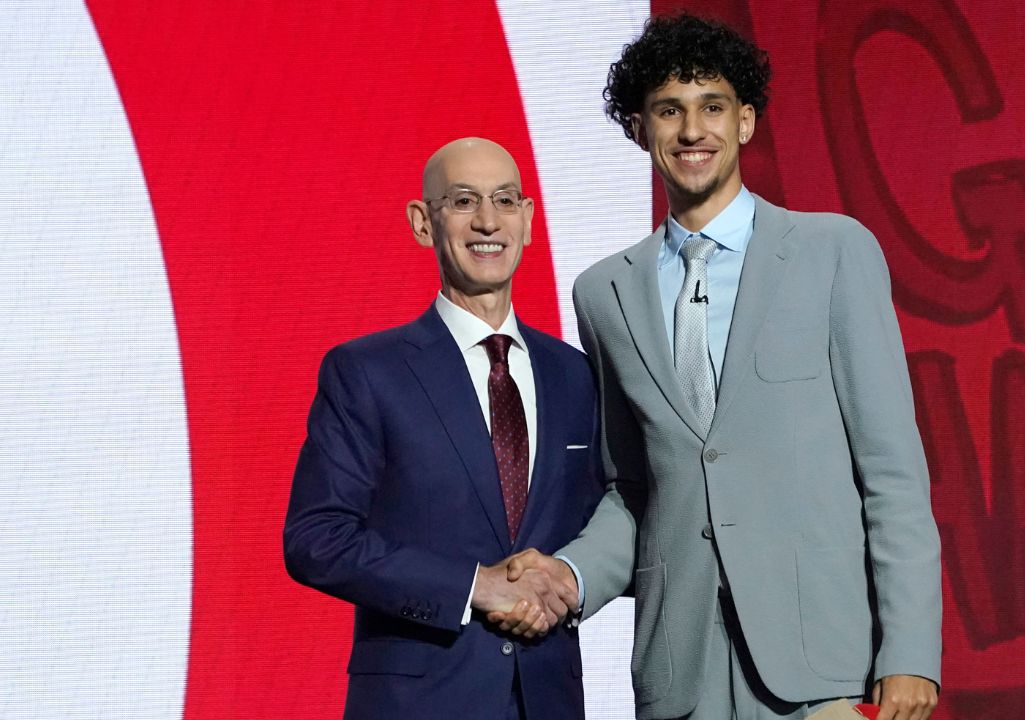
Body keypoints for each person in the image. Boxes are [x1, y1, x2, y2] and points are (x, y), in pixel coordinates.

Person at [500, 14, 942, 720]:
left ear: (745, 122)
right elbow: (635, 489)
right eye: (668, 111)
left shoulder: (833, 252)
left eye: (712, 107)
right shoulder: (603, 293)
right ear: (640, 130)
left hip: (821, 672)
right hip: (683, 677)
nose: (691, 130)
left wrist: (911, 653)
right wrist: (571, 574)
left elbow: (891, 472)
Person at [284, 137, 601, 720]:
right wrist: (473, 586)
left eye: (505, 200)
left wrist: (571, 578)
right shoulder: (366, 371)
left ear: (528, 221)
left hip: (549, 697)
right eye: (463, 201)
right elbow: (316, 538)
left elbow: (609, 517)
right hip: (418, 701)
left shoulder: (575, 374)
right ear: (422, 223)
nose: (488, 221)